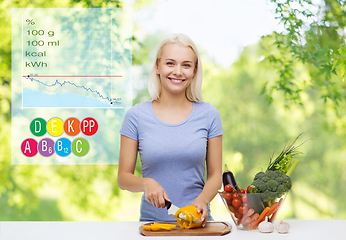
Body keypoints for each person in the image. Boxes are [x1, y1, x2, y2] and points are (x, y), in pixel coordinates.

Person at [117, 33, 223, 227]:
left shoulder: (209, 115)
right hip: (153, 226)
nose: (178, 71)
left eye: (186, 65)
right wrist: (146, 183)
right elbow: (123, 178)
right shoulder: (136, 116)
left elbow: (216, 175)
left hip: (199, 224)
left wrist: (202, 201)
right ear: (158, 66)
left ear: (194, 71)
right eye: (170, 63)